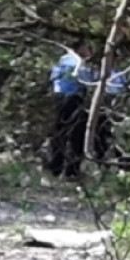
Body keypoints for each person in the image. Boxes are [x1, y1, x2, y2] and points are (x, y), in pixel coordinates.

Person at [46, 41, 98, 179]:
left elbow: (53, 78)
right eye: (88, 48)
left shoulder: (62, 60)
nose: (90, 52)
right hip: (73, 98)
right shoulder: (78, 63)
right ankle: (72, 170)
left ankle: (55, 167)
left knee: (60, 132)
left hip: (59, 97)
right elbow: (88, 80)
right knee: (77, 133)